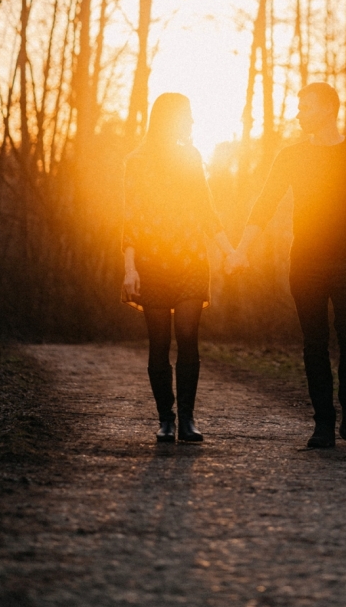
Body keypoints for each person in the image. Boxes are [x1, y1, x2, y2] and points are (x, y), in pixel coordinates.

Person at [230, 82, 346, 448]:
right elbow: (265, 205)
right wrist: (241, 249)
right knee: (313, 342)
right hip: (305, 262)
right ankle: (323, 423)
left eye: (306, 107)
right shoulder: (291, 156)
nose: (299, 113)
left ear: (328, 109)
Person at [121, 93, 235, 444]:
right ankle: (165, 419)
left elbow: (205, 208)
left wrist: (229, 250)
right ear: (169, 118)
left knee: (187, 336)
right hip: (152, 263)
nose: (191, 121)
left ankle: (187, 418)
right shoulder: (136, 162)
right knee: (159, 342)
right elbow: (129, 220)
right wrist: (129, 268)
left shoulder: (191, 157)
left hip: (190, 262)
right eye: (186, 115)